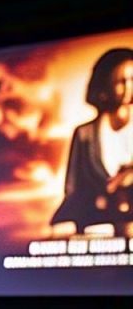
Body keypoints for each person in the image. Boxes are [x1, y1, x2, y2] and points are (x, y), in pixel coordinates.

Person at [50, 47, 133, 232]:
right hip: (97, 222)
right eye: (121, 81)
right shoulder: (84, 134)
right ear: (105, 84)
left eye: (132, 80)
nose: (128, 87)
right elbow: (73, 189)